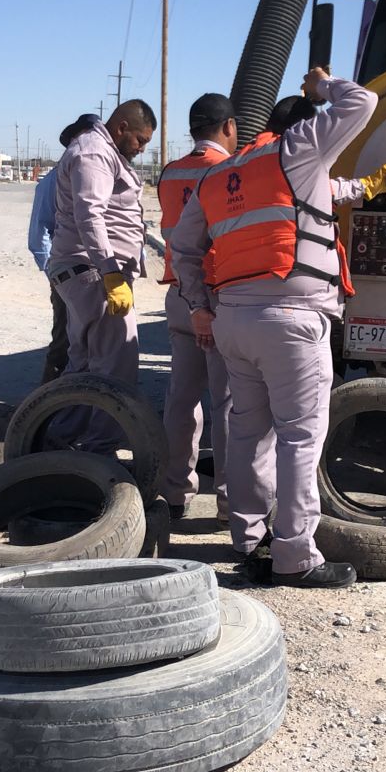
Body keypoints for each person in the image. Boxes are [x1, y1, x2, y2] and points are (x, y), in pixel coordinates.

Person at [170, 67, 386, 589]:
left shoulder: (223, 174)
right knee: (300, 437)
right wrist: (321, 84)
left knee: (249, 432)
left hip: (233, 320)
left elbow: (183, 248)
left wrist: (201, 305)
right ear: (306, 127)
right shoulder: (298, 148)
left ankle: (249, 542)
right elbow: (361, 102)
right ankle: (296, 556)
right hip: (292, 322)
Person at [48, 99, 156, 443]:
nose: (141, 149)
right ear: (122, 127)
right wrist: (111, 272)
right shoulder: (94, 153)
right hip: (94, 274)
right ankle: (100, 455)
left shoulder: (104, 152)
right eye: (140, 140)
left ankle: (57, 441)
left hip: (89, 273)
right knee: (115, 368)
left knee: (84, 365)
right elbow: (89, 214)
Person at [157, 93, 238, 523]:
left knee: (182, 400)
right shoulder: (226, 171)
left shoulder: (170, 172)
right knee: (226, 403)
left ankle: (174, 495)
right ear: (228, 127)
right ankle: (228, 503)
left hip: (180, 297)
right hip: (218, 297)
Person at [27, 114, 99, 384]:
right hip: (68, 275)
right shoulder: (52, 182)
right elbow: (39, 234)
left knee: (97, 343)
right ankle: (47, 408)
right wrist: (55, 275)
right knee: (65, 340)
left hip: (101, 275)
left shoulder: (102, 177)